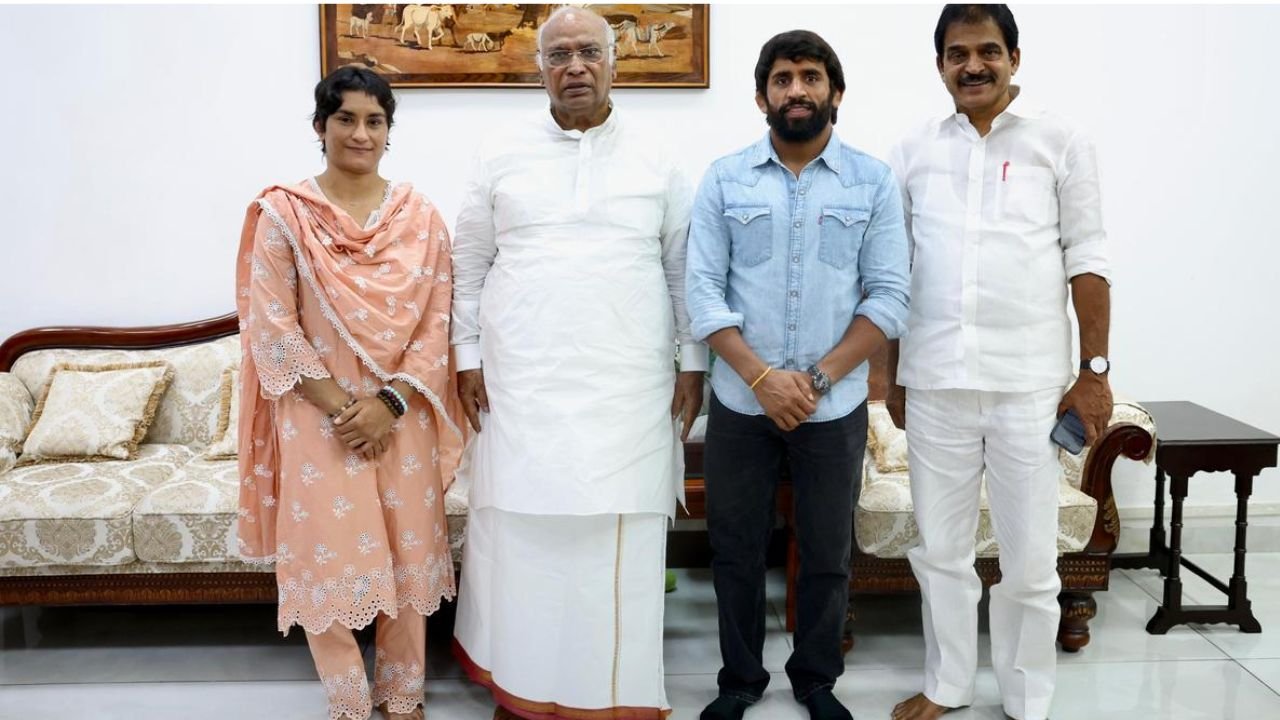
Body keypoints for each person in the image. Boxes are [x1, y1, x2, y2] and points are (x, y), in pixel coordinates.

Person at [448, 7, 707, 720]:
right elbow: (467, 264)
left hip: (628, 384)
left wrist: (693, 363)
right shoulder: (499, 152)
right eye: (558, 54)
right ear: (538, 68)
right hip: (521, 383)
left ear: (615, 61)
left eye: (588, 52)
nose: (574, 67)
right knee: (527, 536)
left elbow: (684, 269)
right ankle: (524, 687)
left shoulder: (658, 156)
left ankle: (614, 695)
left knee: (612, 537)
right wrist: (465, 356)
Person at [885, 6, 1113, 720]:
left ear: (1015, 57)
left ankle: (1026, 696)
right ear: (940, 65)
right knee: (942, 554)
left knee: (1031, 562)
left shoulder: (1061, 140)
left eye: (988, 51)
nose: (973, 66)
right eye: (958, 54)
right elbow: (895, 267)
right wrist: (888, 373)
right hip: (935, 383)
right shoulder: (913, 148)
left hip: (1029, 387)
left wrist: (1094, 371)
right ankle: (948, 685)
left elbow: (1089, 257)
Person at [686, 30, 911, 720]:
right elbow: (701, 292)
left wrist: (812, 380)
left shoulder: (872, 182)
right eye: (782, 79)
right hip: (739, 403)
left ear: (834, 93)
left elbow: (889, 297)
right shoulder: (725, 178)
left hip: (833, 402)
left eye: (811, 77)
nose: (796, 90)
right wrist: (760, 379)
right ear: (761, 96)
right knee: (735, 547)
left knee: (825, 551)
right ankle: (739, 681)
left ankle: (816, 678)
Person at [235, 65, 465, 720]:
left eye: (374, 121)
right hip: (319, 418)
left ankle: (403, 698)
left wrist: (388, 404)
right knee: (329, 563)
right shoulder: (284, 214)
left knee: (405, 555)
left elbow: (436, 320)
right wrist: (346, 409)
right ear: (320, 127)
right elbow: (273, 328)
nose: (360, 133)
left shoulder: (419, 218)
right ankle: (348, 704)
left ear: (389, 133)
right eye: (345, 119)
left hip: (403, 412)